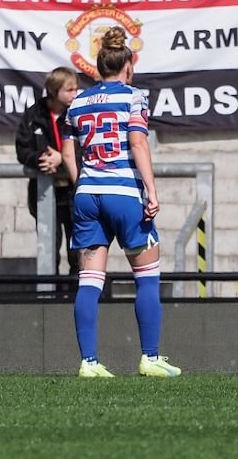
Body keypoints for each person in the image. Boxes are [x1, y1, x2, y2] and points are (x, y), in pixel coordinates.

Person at [62, 27, 180, 378]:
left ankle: (89, 362)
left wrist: (80, 182)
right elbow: (138, 143)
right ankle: (150, 357)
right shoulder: (134, 96)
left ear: (98, 67)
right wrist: (152, 191)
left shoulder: (78, 102)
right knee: (147, 277)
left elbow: (70, 151)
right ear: (128, 65)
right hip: (124, 193)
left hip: (86, 195)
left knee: (89, 280)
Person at [15, 66, 81, 279]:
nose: (74, 94)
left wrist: (62, 159)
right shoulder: (34, 114)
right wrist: (41, 159)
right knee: (49, 249)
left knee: (77, 252)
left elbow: (85, 147)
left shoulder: (79, 113)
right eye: (69, 90)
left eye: (76, 89)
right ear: (54, 91)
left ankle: (75, 297)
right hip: (44, 192)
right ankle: (49, 299)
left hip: (73, 192)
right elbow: (22, 149)